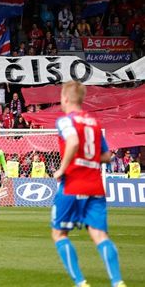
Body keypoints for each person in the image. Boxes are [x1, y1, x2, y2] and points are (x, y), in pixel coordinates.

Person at [51, 81, 125, 287]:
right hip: (95, 185)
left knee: (59, 233)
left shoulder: (66, 121)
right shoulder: (94, 122)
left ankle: (80, 282)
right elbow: (107, 156)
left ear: (65, 99)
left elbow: (73, 142)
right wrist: (89, 158)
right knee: (100, 235)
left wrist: (62, 168)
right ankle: (118, 282)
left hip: (73, 183)